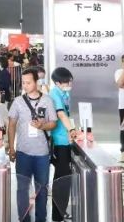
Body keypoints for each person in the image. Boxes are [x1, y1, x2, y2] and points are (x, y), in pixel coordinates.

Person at [7, 68, 56, 222]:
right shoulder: (18, 101)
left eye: (28, 82)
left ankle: (41, 218)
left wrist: (42, 126)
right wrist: (11, 147)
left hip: (42, 154)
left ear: (36, 82)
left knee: (42, 189)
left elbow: (53, 123)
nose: (25, 85)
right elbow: (11, 124)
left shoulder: (47, 100)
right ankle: (24, 219)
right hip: (23, 152)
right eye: (23, 83)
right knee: (22, 189)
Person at [49, 67, 77, 222]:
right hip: (58, 142)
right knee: (61, 178)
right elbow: (60, 113)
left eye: (70, 81)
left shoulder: (65, 93)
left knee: (65, 177)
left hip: (66, 140)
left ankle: (61, 212)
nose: (69, 84)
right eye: (66, 82)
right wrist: (71, 129)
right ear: (57, 83)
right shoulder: (54, 94)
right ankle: (57, 215)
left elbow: (67, 114)